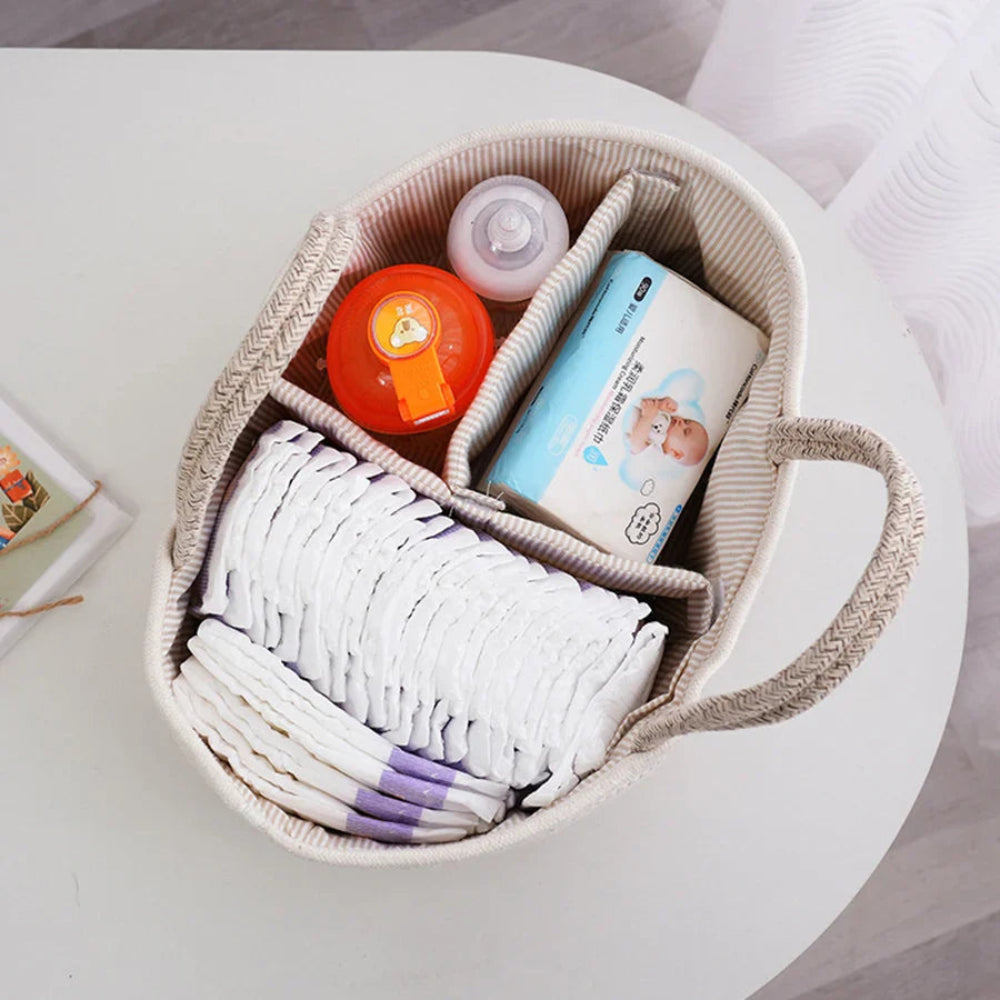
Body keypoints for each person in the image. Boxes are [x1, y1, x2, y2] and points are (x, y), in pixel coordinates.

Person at [626, 395, 709, 467]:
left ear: (676, 453)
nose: (681, 421)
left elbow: (635, 445)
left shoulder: (655, 452)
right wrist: (661, 404)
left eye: (685, 431)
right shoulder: (666, 417)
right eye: (686, 421)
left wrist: (647, 417)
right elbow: (649, 404)